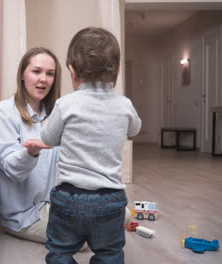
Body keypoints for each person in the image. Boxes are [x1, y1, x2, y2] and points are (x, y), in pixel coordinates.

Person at [40, 27, 142, 264]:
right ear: (117, 71)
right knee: (110, 254)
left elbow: (47, 139)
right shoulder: (124, 105)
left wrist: (48, 123)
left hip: (69, 198)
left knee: (59, 252)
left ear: (72, 71)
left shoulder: (65, 104)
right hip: (110, 199)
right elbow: (134, 129)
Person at [0, 47, 61, 243]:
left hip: (55, 204)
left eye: (50, 73)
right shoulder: (3, 112)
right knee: (82, 237)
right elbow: (11, 168)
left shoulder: (58, 114)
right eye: (36, 71)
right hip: (22, 214)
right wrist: (31, 152)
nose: (43, 79)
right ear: (22, 74)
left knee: (113, 211)